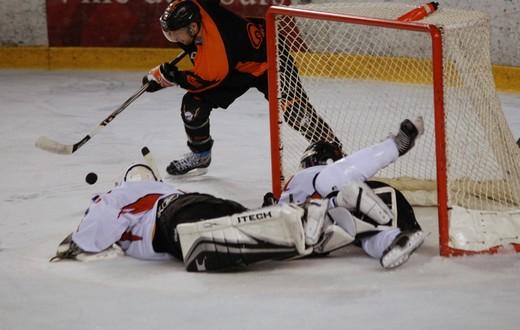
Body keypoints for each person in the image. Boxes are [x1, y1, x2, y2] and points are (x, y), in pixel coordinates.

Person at [50, 117, 425, 271]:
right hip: (208, 208)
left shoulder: (125, 194)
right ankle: (389, 234)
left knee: (203, 248)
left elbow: (98, 227)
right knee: (305, 204)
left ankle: (308, 217)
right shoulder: (158, 189)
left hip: (175, 220)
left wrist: (75, 243)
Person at [142, 0, 341, 176]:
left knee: (295, 111)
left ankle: (335, 151)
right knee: (193, 106)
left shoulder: (217, 52)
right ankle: (200, 155)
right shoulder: (197, 5)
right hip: (238, 65)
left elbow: (201, 80)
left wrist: (169, 77)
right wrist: (167, 77)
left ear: (193, 27)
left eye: (177, 35)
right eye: (169, 35)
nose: (175, 40)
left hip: (270, 58)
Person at [276, 116, 426, 268]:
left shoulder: (300, 180)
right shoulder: (320, 176)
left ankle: (394, 238)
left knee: (354, 226)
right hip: (388, 206)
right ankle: (393, 238)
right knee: (360, 233)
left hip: (315, 232)